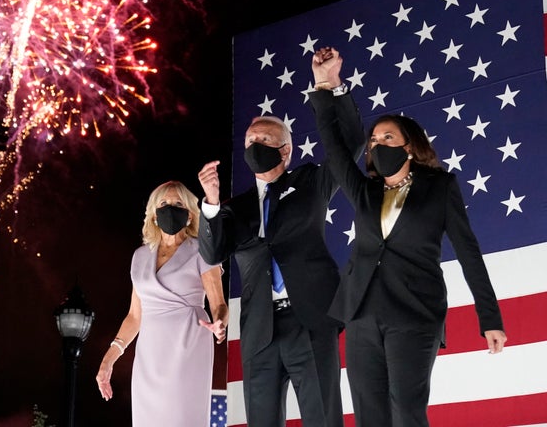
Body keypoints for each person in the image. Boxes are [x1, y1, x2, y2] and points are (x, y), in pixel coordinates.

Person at [309, 46, 507, 427]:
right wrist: (326, 85)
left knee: (407, 411)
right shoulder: (365, 190)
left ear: (410, 146)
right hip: (362, 313)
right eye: (374, 139)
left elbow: (469, 253)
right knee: (370, 415)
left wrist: (490, 317)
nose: (377, 143)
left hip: (414, 313)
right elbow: (334, 150)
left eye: (387, 136)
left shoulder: (440, 186)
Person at [197, 79, 365, 425]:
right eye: (249, 141)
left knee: (323, 418)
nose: (254, 145)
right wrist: (211, 204)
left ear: (285, 150)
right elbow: (212, 254)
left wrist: (331, 89)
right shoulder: (235, 209)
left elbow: (351, 144)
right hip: (260, 331)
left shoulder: (310, 182)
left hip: (311, 321)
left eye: (263, 140)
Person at [95, 180, 228, 427]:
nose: (170, 208)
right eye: (164, 203)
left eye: (178, 203)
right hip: (149, 357)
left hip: (187, 346)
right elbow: (135, 317)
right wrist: (108, 360)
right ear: (154, 215)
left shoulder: (202, 250)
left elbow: (218, 304)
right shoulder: (140, 256)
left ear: (189, 215)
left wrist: (220, 323)